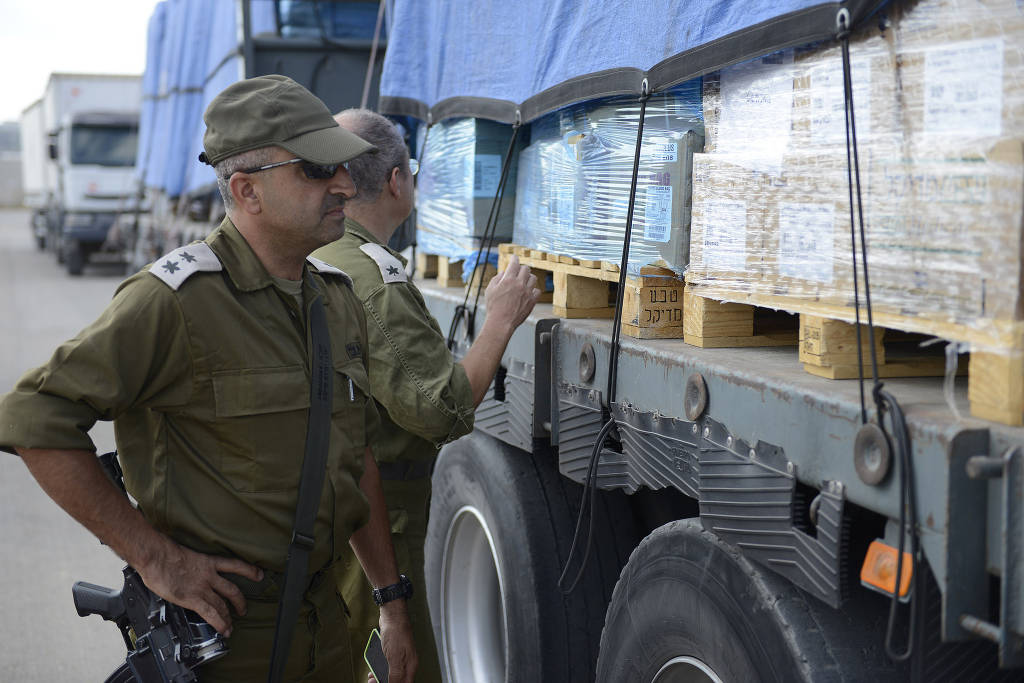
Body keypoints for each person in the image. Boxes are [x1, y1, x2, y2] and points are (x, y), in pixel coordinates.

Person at [0, 76, 416, 683]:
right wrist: (154, 558)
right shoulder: (174, 302)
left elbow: (356, 459)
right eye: (317, 171)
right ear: (246, 190)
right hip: (225, 636)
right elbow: (32, 416)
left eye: (344, 168)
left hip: (328, 624)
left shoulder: (334, 298)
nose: (346, 186)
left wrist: (390, 599)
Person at [312, 108, 540, 681]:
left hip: (337, 521)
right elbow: (441, 409)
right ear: (396, 182)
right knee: (402, 666)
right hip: (384, 526)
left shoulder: (326, 255)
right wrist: (501, 322)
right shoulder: (372, 281)